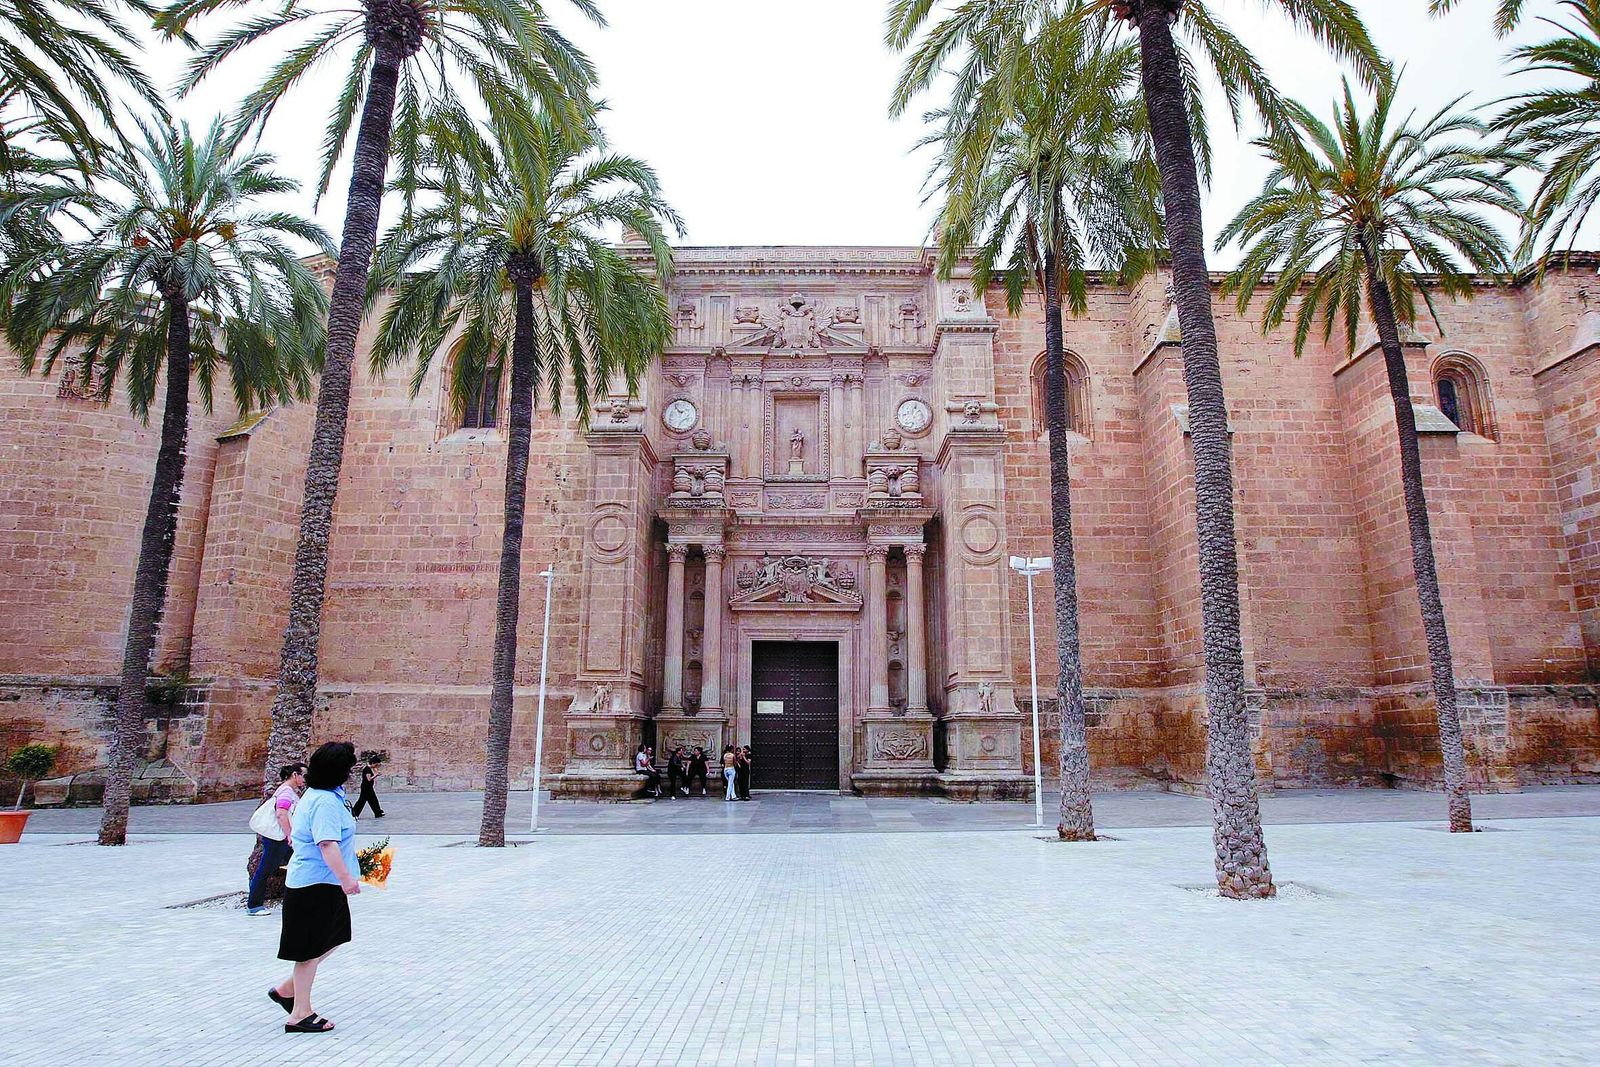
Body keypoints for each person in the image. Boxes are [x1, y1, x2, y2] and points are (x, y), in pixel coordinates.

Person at [271, 741, 360, 1034]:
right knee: (309, 951)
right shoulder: (322, 801)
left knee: (334, 937)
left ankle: (287, 989)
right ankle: (300, 1014)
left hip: (323, 882)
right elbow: (326, 843)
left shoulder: (325, 796)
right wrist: (347, 878)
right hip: (314, 884)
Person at [247, 762, 305, 915]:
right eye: (304, 775)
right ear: (295, 775)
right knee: (265, 869)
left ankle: (299, 900)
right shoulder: (286, 791)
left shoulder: (289, 790)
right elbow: (281, 813)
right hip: (277, 839)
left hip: (282, 839)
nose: (306, 779)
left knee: (296, 865)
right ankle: (254, 905)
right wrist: (289, 835)